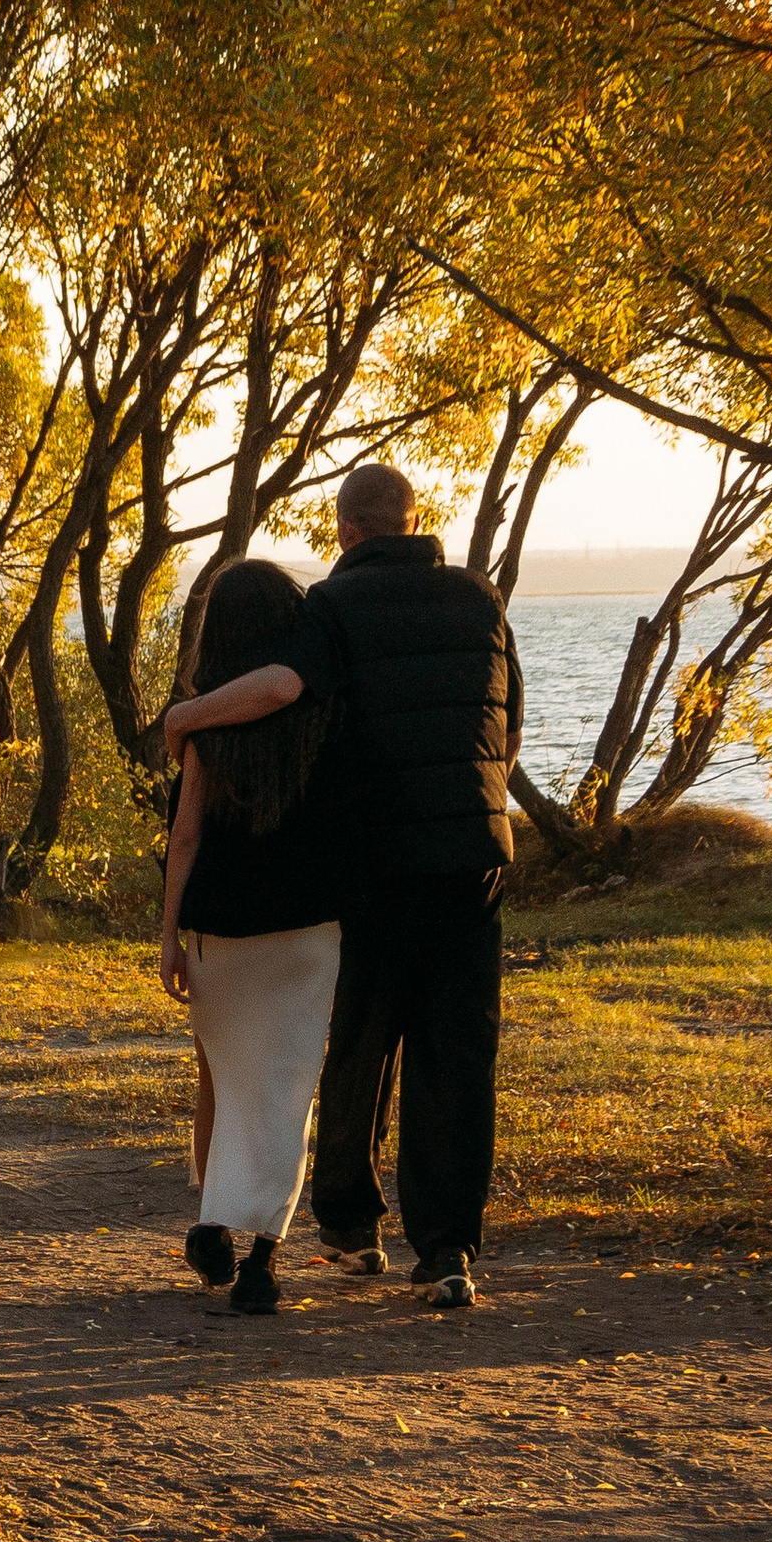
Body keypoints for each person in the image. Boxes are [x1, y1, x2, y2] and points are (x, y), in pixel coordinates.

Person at [163, 461, 521, 1312]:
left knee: (361, 1036)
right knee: (459, 1051)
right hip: (474, 847)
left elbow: (283, 690)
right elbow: (509, 731)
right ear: (410, 521)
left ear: (347, 531)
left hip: (375, 860)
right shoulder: (482, 599)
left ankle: (352, 1224)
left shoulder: (330, 606)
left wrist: (186, 717)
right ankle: (446, 1250)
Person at [155, 553, 348, 1316]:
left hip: (221, 932)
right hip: (308, 928)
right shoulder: (328, 714)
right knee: (286, 1091)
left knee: (227, 1083)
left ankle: (214, 1225)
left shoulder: (206, 728)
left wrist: (168, 934)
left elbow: (186, 839)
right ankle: (265, 1258)